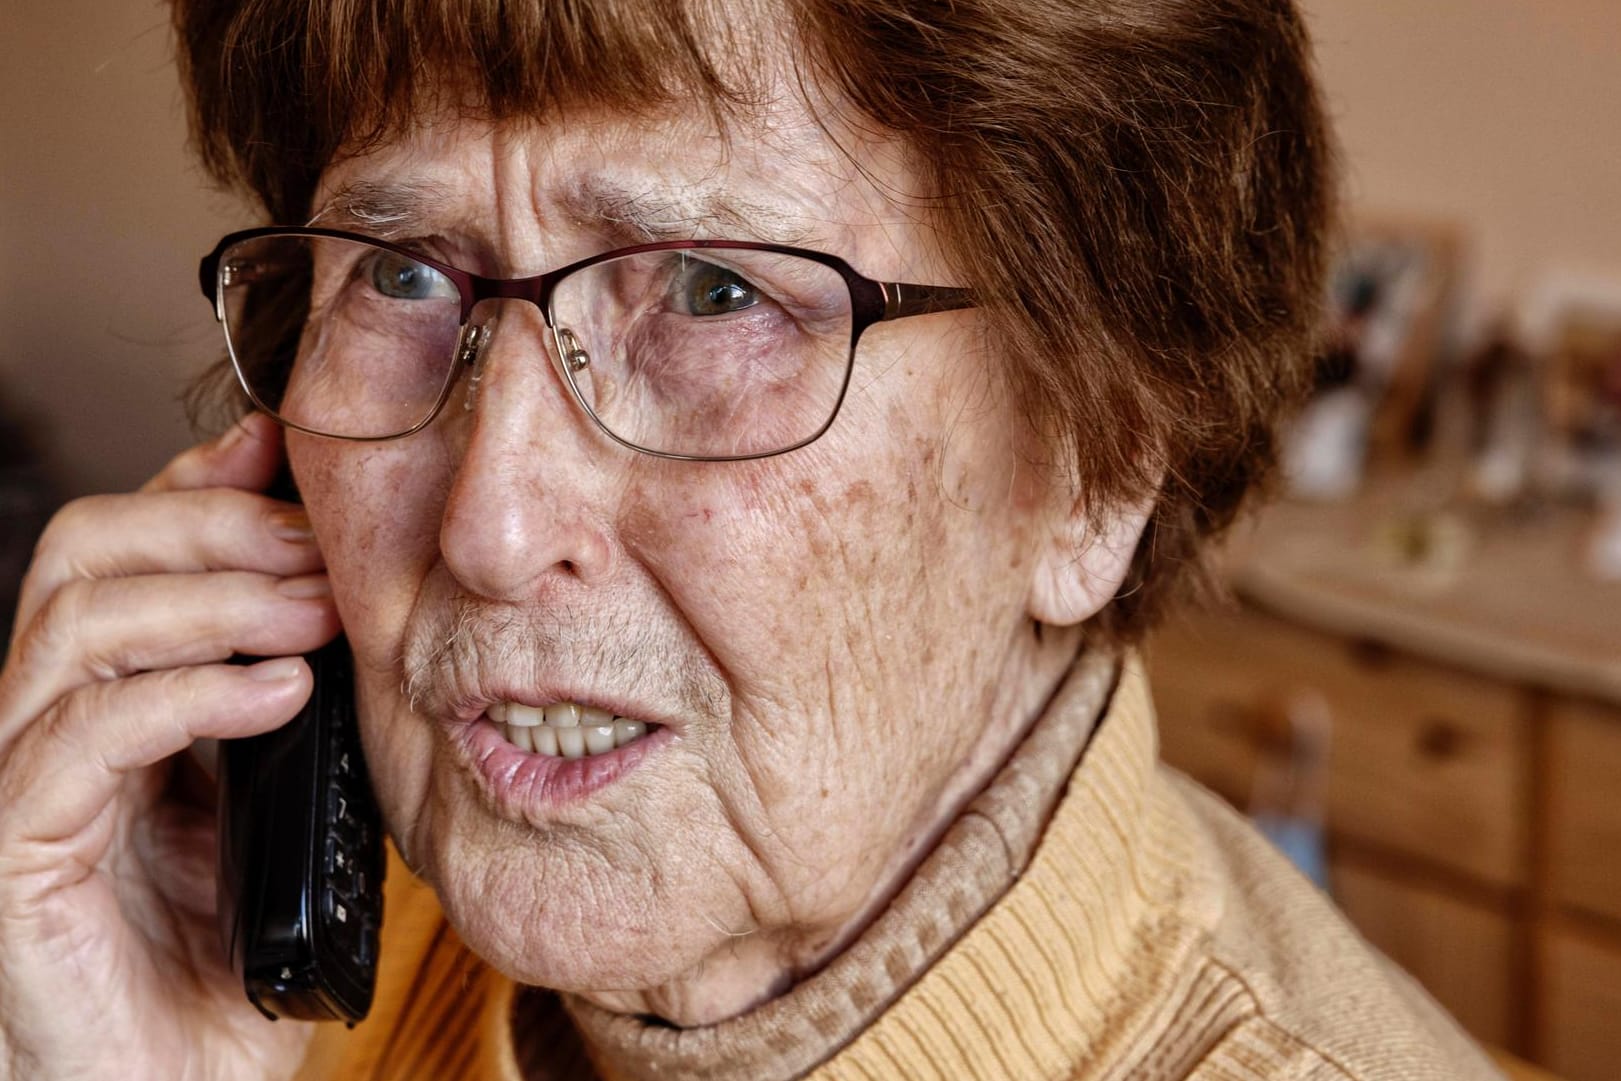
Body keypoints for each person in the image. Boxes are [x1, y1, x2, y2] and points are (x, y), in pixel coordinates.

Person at [0, 0, 1504, 1077]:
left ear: (1101, 458)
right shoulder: (274, 979)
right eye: (398, 274)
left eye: (714, 292)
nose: (491, 523)